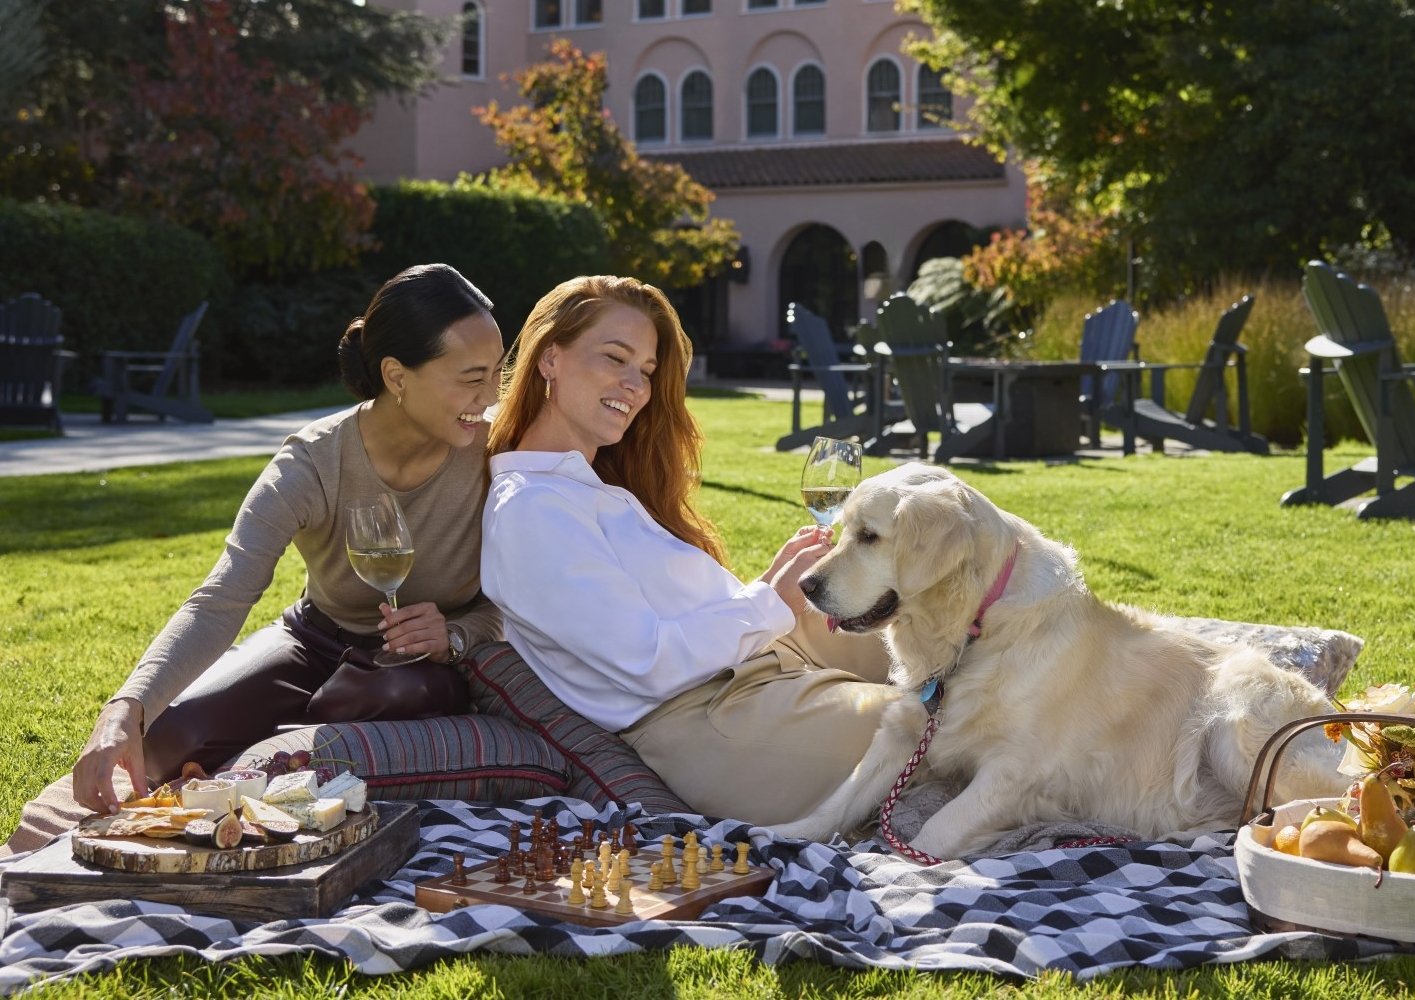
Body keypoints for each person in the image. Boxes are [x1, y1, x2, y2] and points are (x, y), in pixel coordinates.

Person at [2, 264, 506, 855]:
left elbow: (526, 600)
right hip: (315, 639)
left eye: (498, 371)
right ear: (396, 376)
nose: (492, 396)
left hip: (423, 666)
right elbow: (221, 597)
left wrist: (456, 632)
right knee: (171, 739)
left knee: (366, 707)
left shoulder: (499, 454)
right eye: (473, 378)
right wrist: (125, 710)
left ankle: (270, 768)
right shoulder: (314, 462)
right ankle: (252, 770)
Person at [480, 275, 897, 825]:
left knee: (947, 618)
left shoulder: (588, 488)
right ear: (549, 359)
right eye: (615, 358)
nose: (635, 385)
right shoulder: (531, 509)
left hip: (760, 662)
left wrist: (769, 589)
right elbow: (647, 662)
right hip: (715, 719)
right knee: (953, 721)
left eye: (647, 372)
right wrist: (770, 599)